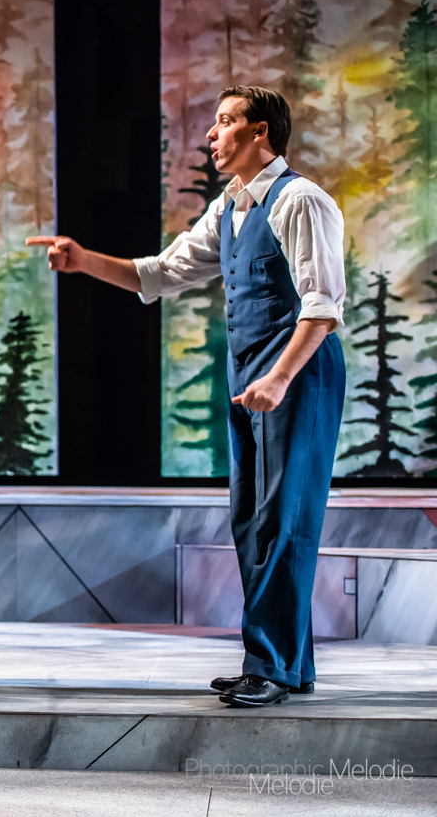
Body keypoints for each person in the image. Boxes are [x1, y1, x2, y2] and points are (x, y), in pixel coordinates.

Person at [29, 86, 346, 707]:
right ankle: (287, 664)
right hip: (250, 376)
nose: (211, 134)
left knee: (283, 520)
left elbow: (322, 307)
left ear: (260, 132)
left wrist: (280, 377)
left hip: (296, 374)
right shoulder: (229, 207)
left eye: (225, 122)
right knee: (252, 520)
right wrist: (84, 260)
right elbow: (163, 272)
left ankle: (271, 666)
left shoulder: (301, 201)